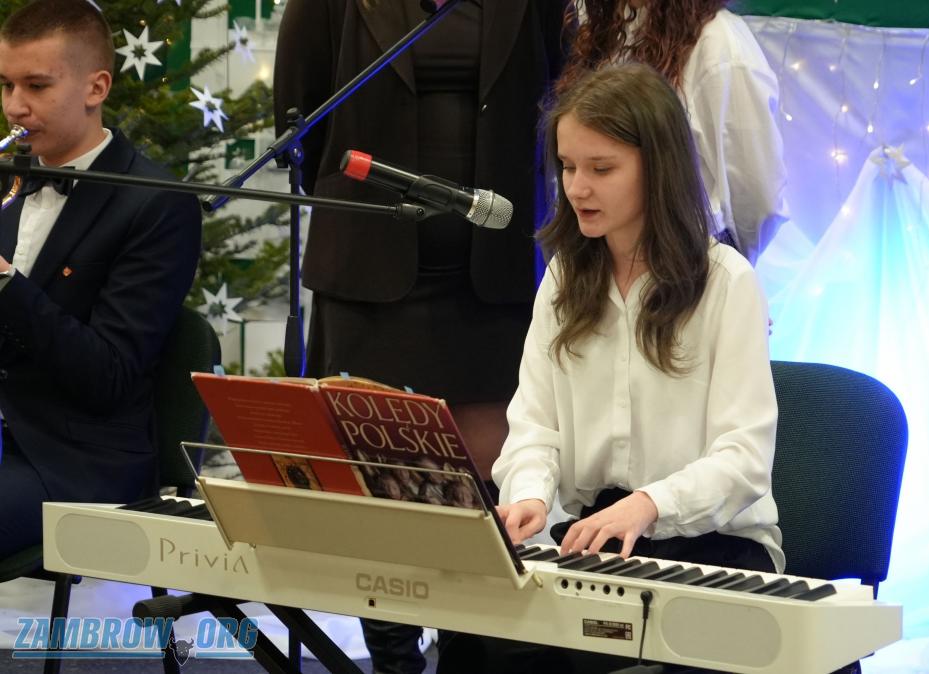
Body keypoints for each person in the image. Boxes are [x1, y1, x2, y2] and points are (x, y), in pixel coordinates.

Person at [439, 62, 783, 674]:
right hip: (593, 540)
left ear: (658, 169)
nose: (577, 188)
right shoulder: (563, 280)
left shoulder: (727, 282)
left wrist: (650, 503)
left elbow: (744, 458)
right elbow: (534, 427)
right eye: (568, 167)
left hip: (711, 546)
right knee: (472, 642)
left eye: (601, 169)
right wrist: (529, 496)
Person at [273, 1, 564, 672]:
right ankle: (394, 661)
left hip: (493, 277)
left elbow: (554, 97)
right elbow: (302, 123)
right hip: (369, 278)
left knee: (487, 484)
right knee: (383, 487)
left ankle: (468, 653)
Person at [0, 0, 201, 558]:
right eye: (6, 85)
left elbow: (107, 376)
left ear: (96, 87)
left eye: (37, 86)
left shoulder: (157, 204)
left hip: (74, 459)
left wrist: (6, 283)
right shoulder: (8, 178)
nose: (14, 107)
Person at [557, 0, 788, 265]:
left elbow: (757, 198)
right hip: (604, 262)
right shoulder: (607, 29)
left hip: (687, 266)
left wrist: (721, 271)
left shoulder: (719, 47)